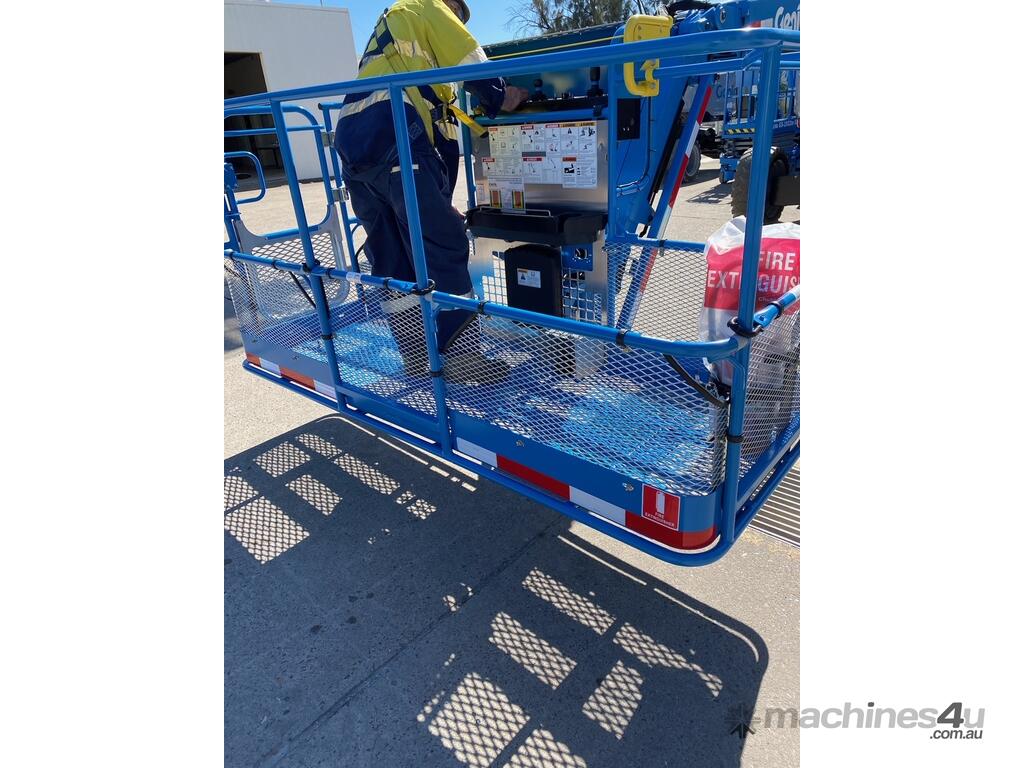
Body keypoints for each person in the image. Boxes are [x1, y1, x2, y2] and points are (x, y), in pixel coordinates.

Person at [334, 0, 528, 379]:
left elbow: (446, 143)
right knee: (445, 245)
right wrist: (503, 96)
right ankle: (462, 356)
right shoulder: (426, 6)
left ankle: (415, 355)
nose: (457, 21)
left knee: (393, 257)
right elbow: (471, 60)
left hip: (354, 145)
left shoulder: (399, 48)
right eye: (458, 15)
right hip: (395, 134)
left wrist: (442, 199)